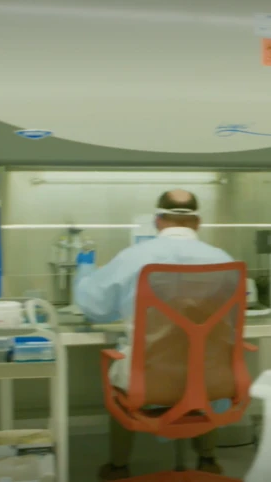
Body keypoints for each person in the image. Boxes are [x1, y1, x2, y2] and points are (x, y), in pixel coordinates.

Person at [75, 190, 235, 481]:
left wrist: (84, 269)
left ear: (158, 221)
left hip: (149, 378)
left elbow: (94, 308)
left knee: (125, 369)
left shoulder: (134, 257)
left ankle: (119, 466)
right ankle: (208, 460)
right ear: (197, 222)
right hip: (210, 376)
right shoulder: (223, 260)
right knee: (200, 364)